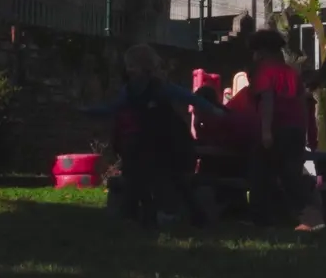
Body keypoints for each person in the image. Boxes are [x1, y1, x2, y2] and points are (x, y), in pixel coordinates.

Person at [85, 44, 223, 227]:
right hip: (148, 141)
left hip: (171, 142)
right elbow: (113, 107)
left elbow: (190, 98)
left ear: (145, 67)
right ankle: (136, 213)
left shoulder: (161, 88)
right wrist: (90, 112)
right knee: (136, 175)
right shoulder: (129, 91)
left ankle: (194, 217)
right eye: (128, 66)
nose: (129, 70)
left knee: (174, 178)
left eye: (132, 66)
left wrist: (214, 110)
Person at [247, 29, 325, 232]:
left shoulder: (264, 71)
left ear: (261, 51)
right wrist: (305, 132)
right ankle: (311, 218)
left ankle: (262, 219)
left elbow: (267, 100)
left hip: (275, 128)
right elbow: (301, 103)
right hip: (295, 130)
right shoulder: (291, 73)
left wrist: (265, 131)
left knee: (259, 174)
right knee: (292, 175)